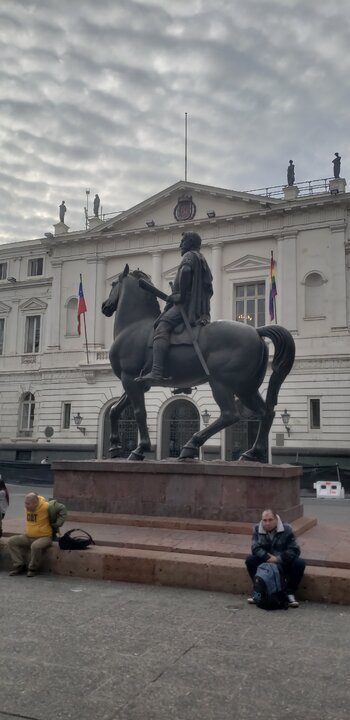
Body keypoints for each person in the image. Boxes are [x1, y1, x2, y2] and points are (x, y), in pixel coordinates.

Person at [137, 231, 213, 384]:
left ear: (190, 243)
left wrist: (181, 296)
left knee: (162, 326)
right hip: (197, 306)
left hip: (186, 306)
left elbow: (185, 271)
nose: (180, 245)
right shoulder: (201, 259)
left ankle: (157, 371)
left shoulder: (189, 256)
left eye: (183, 241)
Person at [245, 508, 305, 608]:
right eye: (264, 520)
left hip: (282, 561)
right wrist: (267, 557)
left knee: (299, 564)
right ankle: (259, 590)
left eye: (270, 520)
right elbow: (255, 548)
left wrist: (278, 559)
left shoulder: (287, 528)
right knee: (250, 560)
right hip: (266, 561)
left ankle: (289, 593)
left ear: (276, 519)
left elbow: (295, 549)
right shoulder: (257, 528)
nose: (267, 523)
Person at [7, 492, 67, 577]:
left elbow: (62, 508)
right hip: (28, 536)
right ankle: (19, 565)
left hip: (45, 537)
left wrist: (58, 523)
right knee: (11, 541)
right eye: (25, 503)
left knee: (35, 546)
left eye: (28, 504)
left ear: (35, 502)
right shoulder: (27, 508)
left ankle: (33, 568)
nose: (25, 506)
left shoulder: (46, 506)